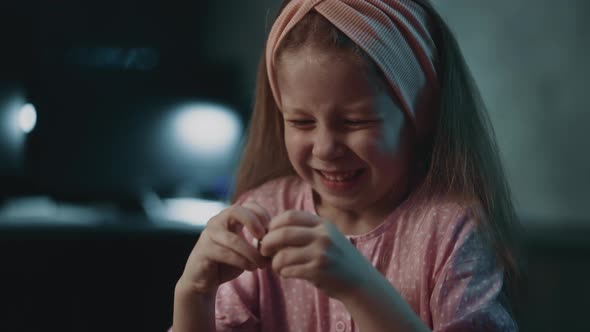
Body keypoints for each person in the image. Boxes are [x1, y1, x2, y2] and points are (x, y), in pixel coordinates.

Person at [173, 0, 524, 331]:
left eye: (356, 122)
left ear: (421, 116)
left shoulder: (452, 231)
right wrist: (192, 296)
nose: (325, 149)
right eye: (301, 122)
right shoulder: (263, 212)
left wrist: (358, 287)